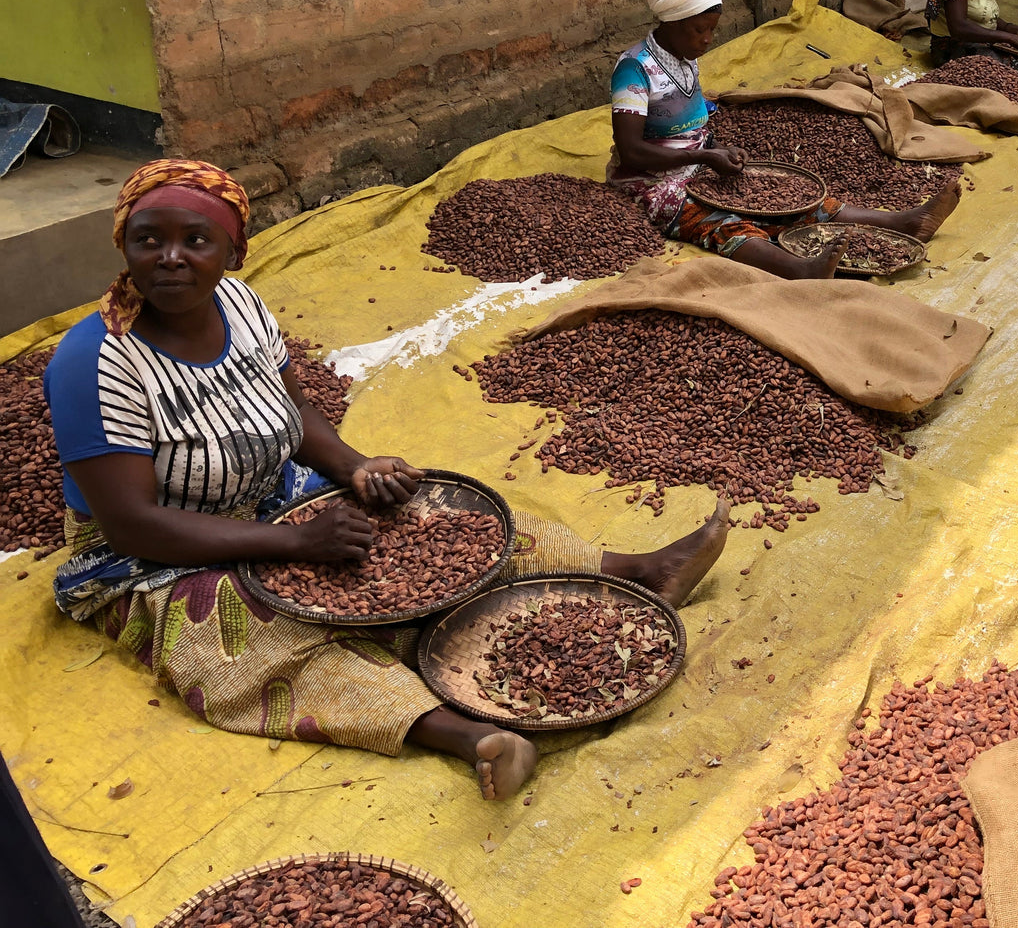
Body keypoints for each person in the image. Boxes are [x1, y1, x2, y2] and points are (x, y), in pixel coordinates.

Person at [44, 159, 730, 800]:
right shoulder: (94, 361)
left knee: (436, 526)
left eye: (196, 239)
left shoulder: (244, 307)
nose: (170, 257)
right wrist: (294, 546)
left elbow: (295, 410)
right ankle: (473, 738)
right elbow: (134, 524)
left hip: (278, 506)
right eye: (148, 239)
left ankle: (634, 571)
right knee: (251, 633)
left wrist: (354, 467)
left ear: (232, 253)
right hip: (147, 563)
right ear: (123, 246)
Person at [608, 0, 961, 281]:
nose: (707, 40)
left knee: (786, 194)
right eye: (700, 30)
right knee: (718, 220)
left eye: (712, 29)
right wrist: (703, 155)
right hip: (651, 181)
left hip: (698, 164)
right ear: (671, 22)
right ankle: (798, 270)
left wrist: (719, 148)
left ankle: (901, 223)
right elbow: (631, 152)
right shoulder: (635, 69)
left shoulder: (685, 59)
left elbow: (694, 129)